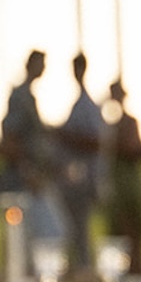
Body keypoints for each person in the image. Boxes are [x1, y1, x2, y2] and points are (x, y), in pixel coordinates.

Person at [0, 49, 64, 242]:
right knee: (43, 235)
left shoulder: (28, 96)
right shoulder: (21, 97)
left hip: (35, 175)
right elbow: (11, 137)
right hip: (26, 181)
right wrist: (27, 171)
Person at [58, 54, 107, 270]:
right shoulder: (80, 103)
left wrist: (63, 135)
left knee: (81, 232)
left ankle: (85, 273)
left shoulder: (88, 106)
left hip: (83, 181)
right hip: (73, 182)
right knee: (73, 233)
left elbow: (96, 142)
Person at [100, 81, 141, 263]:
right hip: (120, 184)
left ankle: (136, 273)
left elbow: (132, 148)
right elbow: (128, 149)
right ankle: (126, 275)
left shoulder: (128, 121)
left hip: (129, 182)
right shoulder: (110, 124)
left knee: (134, 233)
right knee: (123, 232)